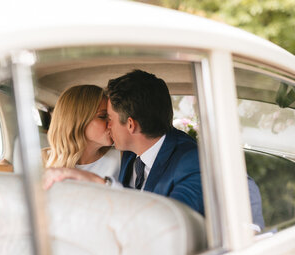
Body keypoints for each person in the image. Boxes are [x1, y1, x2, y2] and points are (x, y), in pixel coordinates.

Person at [44, 70, 265, 230]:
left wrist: (100, 185)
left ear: (130, 125)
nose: (108, 127)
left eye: (109, 119)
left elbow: (168, 226)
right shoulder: (133, 153)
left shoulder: (192, 162)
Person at [43, 84, 120, 179]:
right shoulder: (40, 160)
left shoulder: (122, 159)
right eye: (103, 116)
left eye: (111, 117)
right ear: (77, 121)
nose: (112, 123)